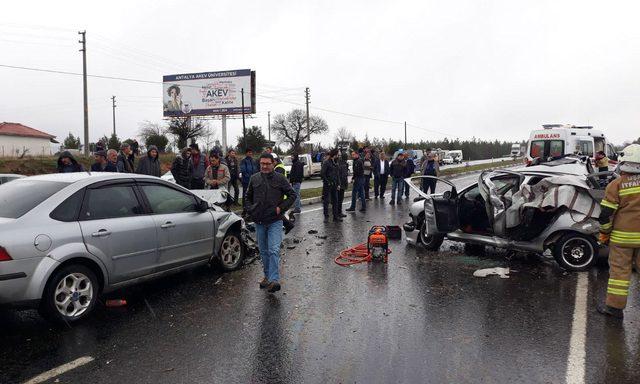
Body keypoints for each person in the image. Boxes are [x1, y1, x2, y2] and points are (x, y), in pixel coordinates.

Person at [596, 144, 640, 319]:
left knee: (619, 275)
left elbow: (605, 215)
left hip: (622, 240)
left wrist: (605, 234)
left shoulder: (617, 184)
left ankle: (614, 309)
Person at [245, 153, 297, 293]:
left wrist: (281, 207)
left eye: (268, 163)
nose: (265, 166)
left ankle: (274, 280)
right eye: (262, 163)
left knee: (273, 250)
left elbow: (293, 195)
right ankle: (267, 276)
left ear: (273, 163)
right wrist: (250, 210)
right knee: (263, 251)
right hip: (260, 221)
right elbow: (247, 197)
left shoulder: (280, 178)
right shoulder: (254, 178)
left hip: (275, 220)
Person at [321, 149, 342, 222]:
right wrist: (328, 182)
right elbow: (322, 174)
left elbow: (337, 174)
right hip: (328, 185)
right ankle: (326, 217)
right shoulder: (326, 162)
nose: (338, 156)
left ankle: (335, 217)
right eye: (338, 154)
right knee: (326, 201)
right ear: (334, 154)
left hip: (335, 184)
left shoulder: (336, 162)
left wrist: (339, 184)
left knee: (335, 201)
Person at [240, 149, 259, 214]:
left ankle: (251, 209)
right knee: (245, 195)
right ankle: (245, 209)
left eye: (251, 152)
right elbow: (243, 171)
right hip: (246, 181)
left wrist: (255, 178)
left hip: (253, 181)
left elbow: (256, 170)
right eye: (249, 152)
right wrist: (250, 178)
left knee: (253, 195)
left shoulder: (254, 161)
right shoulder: (243, 161)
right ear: (246, 153)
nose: (250, 153)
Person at [337, 152, 350, 217]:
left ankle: (338, 212)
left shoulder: (340, 163)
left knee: (339, 199)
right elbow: (343, 176)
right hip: (341, 184)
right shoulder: (343, 164)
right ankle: (339, 212)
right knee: (340, 199)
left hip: (340, 184)